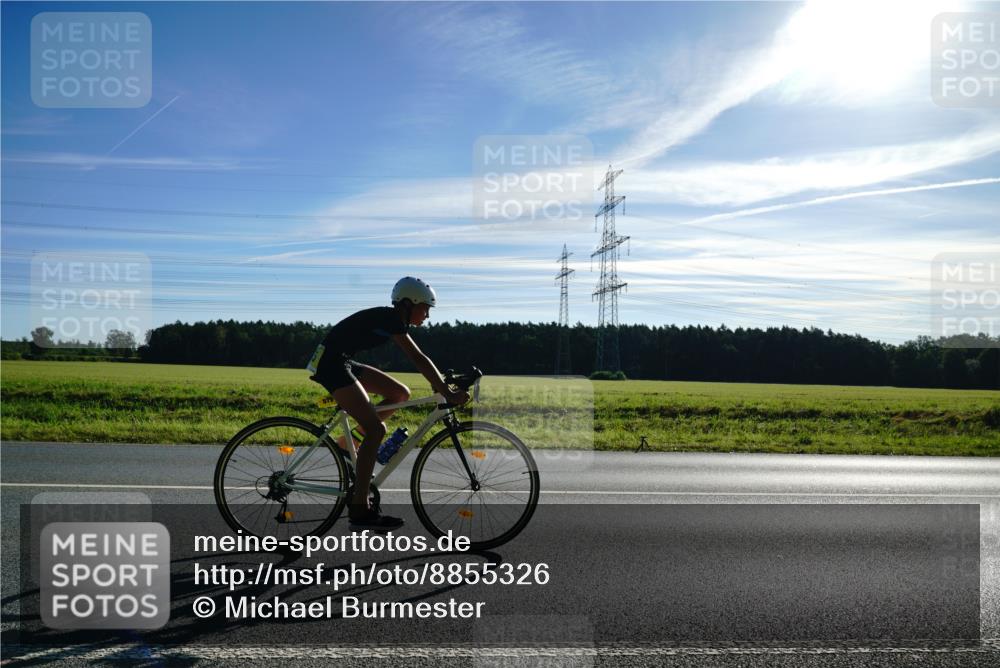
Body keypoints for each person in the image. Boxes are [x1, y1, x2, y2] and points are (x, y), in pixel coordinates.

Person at [308, 277, 469, 530]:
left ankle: (345, 445)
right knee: (376, 429)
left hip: (342, 361)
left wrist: (442, 385)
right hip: (332, 364)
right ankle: (360, 510)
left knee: (400, 394)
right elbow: (418, 358)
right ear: (408, 304)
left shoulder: (392, 318)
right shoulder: (392, 319)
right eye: (425, 308)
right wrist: (447, 392)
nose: (427, 315)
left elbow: (421, 361)